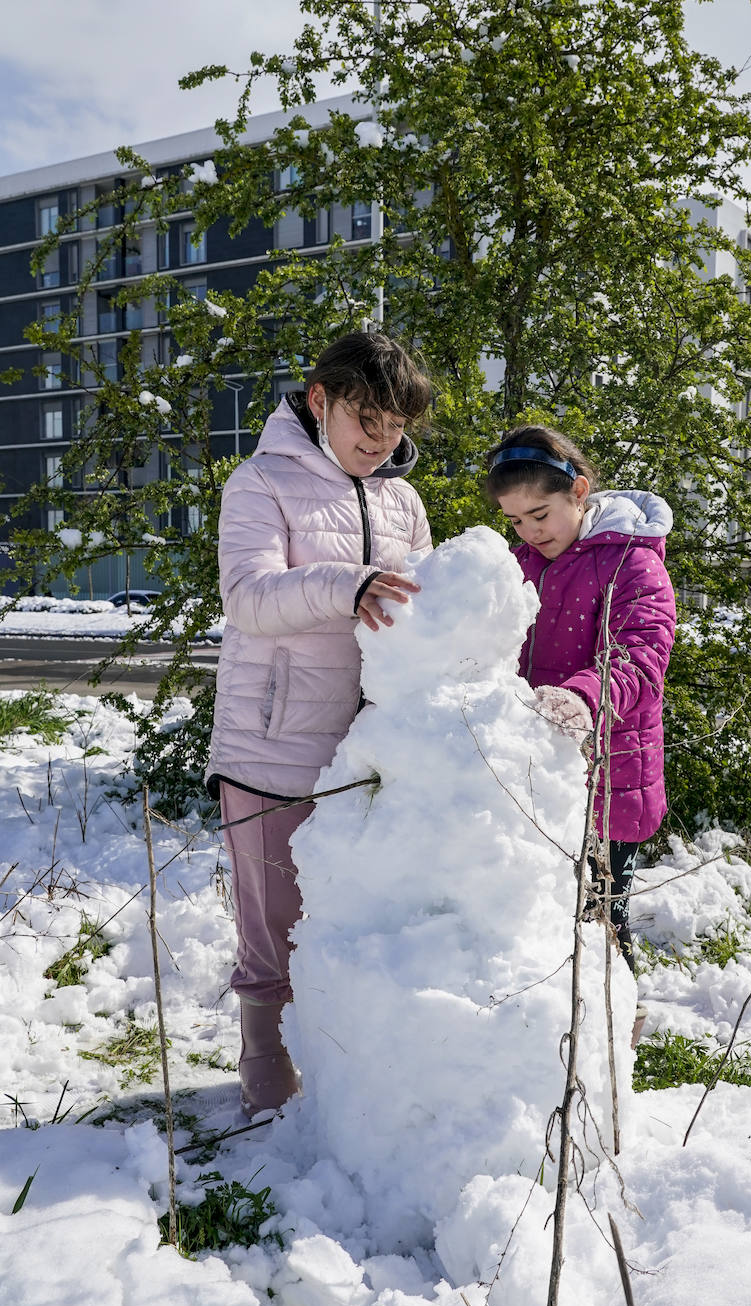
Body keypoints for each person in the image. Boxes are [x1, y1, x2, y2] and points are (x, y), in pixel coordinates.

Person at [206, 331, 433, 1115]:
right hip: (270, 746)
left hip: (367, 752)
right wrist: (347, 582)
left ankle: (341, 1057)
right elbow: (249, 597)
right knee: (273, 920)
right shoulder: (260, 481)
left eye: (395, 426)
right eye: (365, 419)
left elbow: (425, 614)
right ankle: (264, 1055)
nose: (379, 440)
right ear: (319, 401)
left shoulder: (403, 500)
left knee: (352, 913)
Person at [484, 425, 676, 1030]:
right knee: (542, 903)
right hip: (536, 766)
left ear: (580, 492)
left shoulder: (633, 562)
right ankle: (552, 1023)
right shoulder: (517, 565)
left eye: (540, 514)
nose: (530, 532)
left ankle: (618, 1021)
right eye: (515, 521)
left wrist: (586, 698)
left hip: (610, 770)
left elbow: (644, 653)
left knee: (600, 908)